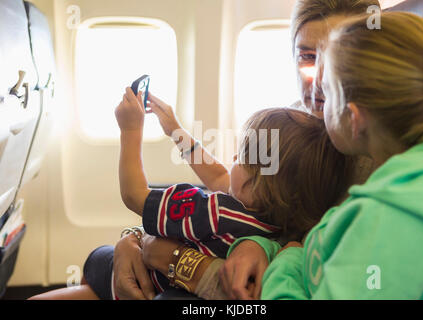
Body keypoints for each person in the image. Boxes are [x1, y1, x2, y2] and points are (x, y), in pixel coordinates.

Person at [28, 0, 378, 300]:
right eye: (306, 57)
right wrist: (137, 238)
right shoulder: (295, 122)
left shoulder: (372, 162)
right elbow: (227, 180)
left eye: (337, 59)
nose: (317, 79)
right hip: (175, 265)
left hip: (194, 284)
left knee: (98, 269)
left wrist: (167, 255)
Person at [222, 12, 423, 299]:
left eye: (327, 91)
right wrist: (262, 245)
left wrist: (289, 262)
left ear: (354, 119)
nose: (317, 99)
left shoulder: (383, 218)